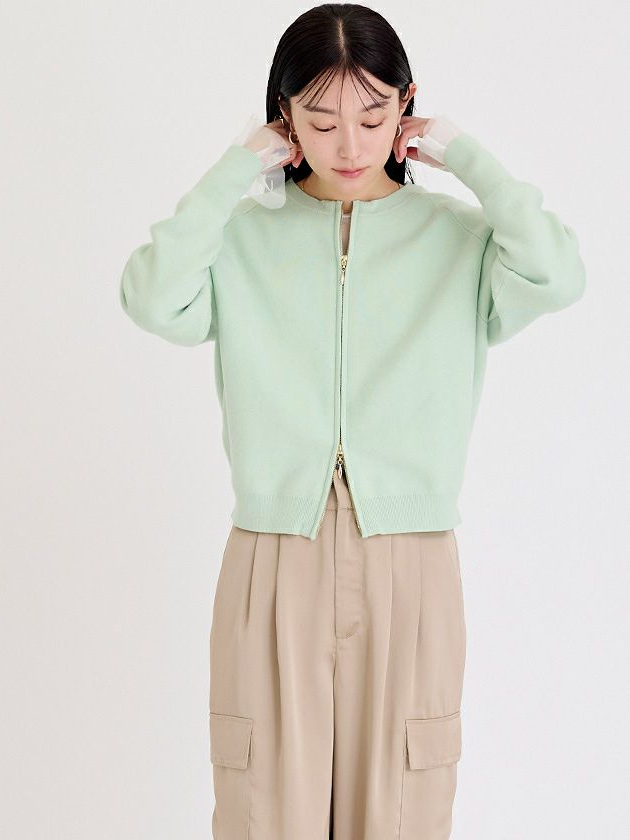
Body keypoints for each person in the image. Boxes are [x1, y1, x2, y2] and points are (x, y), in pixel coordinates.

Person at [118, 5, 586, 839]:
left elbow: (557, 273)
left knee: (402, 811)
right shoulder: (241, 239)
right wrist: (234, 171)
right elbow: (153, 298)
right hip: (274, 554)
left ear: (406, 107)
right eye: (321, 119)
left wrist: (466, 157)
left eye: (373, 118)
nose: (349, 145)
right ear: (285, 120)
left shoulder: (459, 240)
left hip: (411, 560)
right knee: (264, 812)